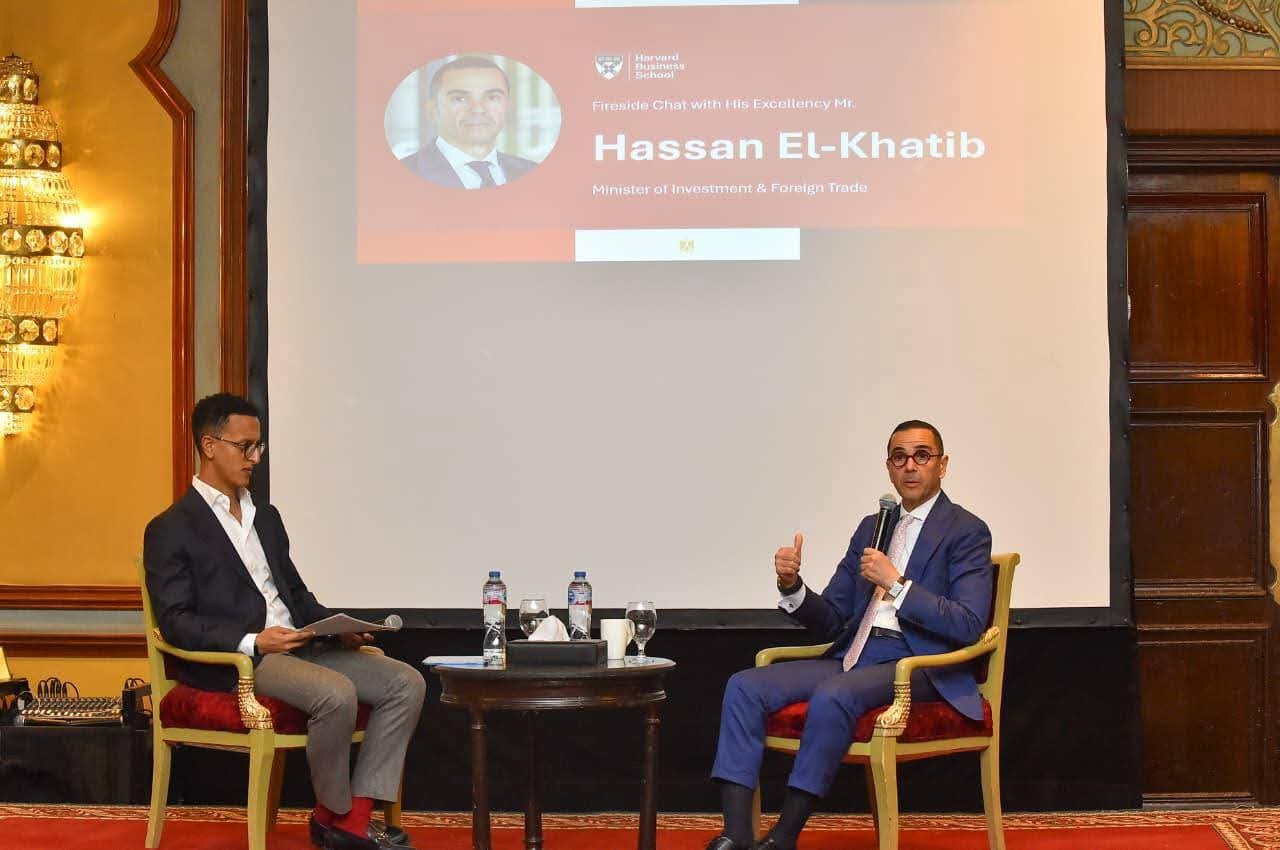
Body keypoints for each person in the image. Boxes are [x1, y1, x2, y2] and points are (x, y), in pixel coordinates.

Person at [143, 393, 426, 850]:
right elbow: (176, 623)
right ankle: (338, 817)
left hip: (302, 644)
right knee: (335, 693)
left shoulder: (267, 517)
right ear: (209, 445)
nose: (255, 458)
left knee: (405, 683)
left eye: (259, 447)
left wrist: (337, 627)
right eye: (245, 447)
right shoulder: (171, 528)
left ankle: (350, 816)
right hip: (246, 661)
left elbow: (296, 596)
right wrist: (254, 641)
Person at [705, 420, 994, 850]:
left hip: (919, 664)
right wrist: (792, 586)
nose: (910, 466)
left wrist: (897, 584)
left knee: (835, 694)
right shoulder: (872, 528)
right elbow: (834, 619)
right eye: (899, 457)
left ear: (942, 464)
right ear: (888, 467)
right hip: (855, 655)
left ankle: (783, 838)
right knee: (745, 686)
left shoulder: (966, 530)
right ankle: (736, 835)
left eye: (921, 456)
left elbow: (968, 623)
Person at [398, 55, 538, 189]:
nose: (478, 110)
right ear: (433, 110)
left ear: (508, 108)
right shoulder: (402, 176)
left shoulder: (532, 171)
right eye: (460, 99)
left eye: (492, 97)